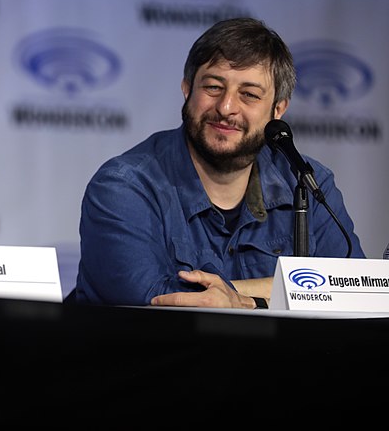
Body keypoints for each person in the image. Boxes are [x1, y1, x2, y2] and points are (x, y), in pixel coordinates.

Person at [75, 17, 364, 308]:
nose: (226, 108)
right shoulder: (123, 185)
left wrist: (242, 300)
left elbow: (356, 290)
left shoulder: (306, 183)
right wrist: (293, 291)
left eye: (249, 95)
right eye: (213, 87)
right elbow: (156, 300)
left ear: (278, 109)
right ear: (187, 90)